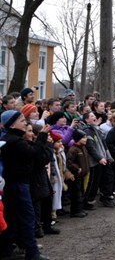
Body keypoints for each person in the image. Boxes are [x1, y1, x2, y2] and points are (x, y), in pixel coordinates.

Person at [0, 110, 53, 260]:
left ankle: (8, 250)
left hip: (15, 184)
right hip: (18, 185)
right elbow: (35, 153)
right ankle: (32, 252)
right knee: (27, 217)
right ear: (13, 124)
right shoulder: (14, 141)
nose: (25, 123)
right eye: (22, 121)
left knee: (13, 218)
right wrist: (42, 136)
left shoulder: (11, 139)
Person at [66, 129, 90, 218]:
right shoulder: (73, 149)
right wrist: (77, 168)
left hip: (82, 175)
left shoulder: (83, 147)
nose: (85, 139)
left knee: (81, 192)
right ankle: (75, 211)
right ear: (78, 139)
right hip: (76, 176)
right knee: (76, 194)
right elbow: (69, 162)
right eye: (83, 138)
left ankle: (80, 209)